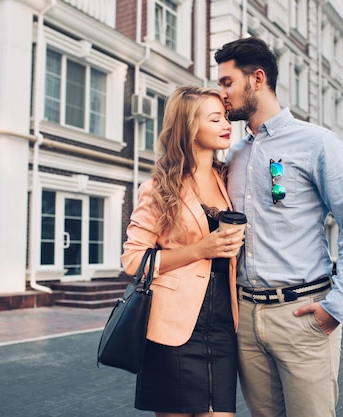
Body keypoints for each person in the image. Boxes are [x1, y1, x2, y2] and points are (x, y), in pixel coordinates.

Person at [214, 37, 343, 417]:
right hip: (247, 321)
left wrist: (337, 307)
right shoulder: (234, 155)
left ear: (257, 79)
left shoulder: (318, 143)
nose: (222, 93)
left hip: (303, 315)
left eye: (227, 82)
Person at [120, 85, 245, 417]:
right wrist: (200, 249)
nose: (226, 125)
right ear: (190, 127)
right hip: (172, 327)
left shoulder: (228, 179)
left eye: (226, 117)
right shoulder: (159, 188)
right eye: (215, 118)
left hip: (222, 326)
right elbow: (133, 261)